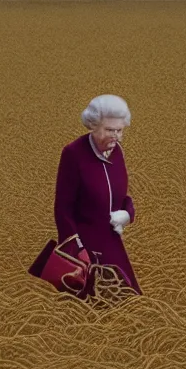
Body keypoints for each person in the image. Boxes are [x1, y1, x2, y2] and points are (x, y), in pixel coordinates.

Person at [51, 94, 141, 297]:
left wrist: (127, 214)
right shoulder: (73, 154)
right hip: (84, 246)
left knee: (129, 299)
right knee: (85, 305)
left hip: (111, 241)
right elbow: (63, 208)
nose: (116, 137)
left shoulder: (117, 152)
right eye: (110, 130)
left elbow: (122, 196)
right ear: (93, 125)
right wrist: (75, 250)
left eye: (119, 131)